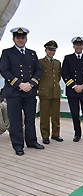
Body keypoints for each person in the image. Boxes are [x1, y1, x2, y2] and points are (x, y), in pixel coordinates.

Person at [0, 27, 44, 155]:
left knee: (30, 119)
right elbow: (4, 70)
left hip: (29, 91)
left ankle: (31, 141)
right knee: (15, 120)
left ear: (26, 39)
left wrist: (31, 84)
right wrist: (19, 84)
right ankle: (18, 145)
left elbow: (38, 71)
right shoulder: (7, 53)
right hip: (14, 92)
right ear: (14, 39)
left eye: (23, 38)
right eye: (18, 38)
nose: (20, 40)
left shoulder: (32, 53)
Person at [62, 37, 83, 142]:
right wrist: (74, 86)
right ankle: (77, 134)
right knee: (75, 113)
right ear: (74, 46)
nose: (79, 47)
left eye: (80, 45)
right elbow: (65, 74)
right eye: (77, 45)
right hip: (72, 91)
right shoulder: (67, 58)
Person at [38, 40, 63, 144]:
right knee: (44, 115)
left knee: (56, 114)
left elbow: (58, 76)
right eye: (50, 50)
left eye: (53, 50)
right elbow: (38, 76)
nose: (51, 52)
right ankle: (45, 135)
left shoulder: (57, 63)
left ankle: (55, 134)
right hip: (45, 92)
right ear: (45, 50)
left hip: (55, 91)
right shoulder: (40, 62)